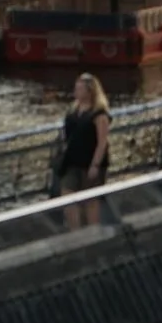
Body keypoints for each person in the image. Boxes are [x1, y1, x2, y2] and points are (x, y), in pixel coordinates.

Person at [57, 73, 111, 228]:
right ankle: (76, 232)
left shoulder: (99, 114)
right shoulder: (73, 111)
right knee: (67, 195)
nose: (76, 92)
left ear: (90, 91)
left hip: (90, 162)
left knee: (90, 201)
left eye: (79, 89)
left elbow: (102, 142)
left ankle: (92, 232)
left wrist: (95, 165)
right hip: (72, 161)